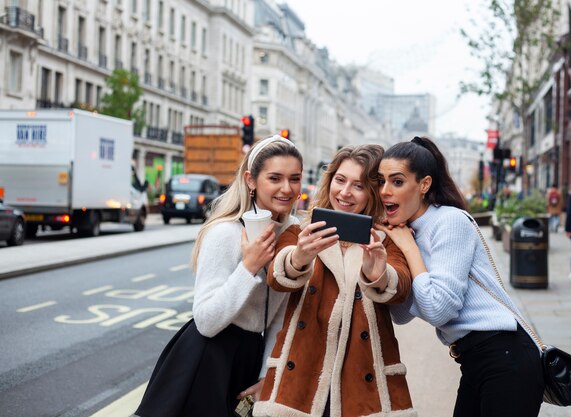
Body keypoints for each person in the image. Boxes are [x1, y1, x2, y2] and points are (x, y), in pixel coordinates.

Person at [135, 135, 303, 417]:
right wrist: (248, 267)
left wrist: (267, 376)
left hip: (250, 357)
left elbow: (279, 318)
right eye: (275, 178)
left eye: (294, 178)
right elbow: (206, 321)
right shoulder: (225, 233)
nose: (287, 188)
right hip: (207, 358)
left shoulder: (293, 235)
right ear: (251, 180)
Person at [377, 136, 544, 417]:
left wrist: (409, 249)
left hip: (506, 356)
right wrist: (386, 262)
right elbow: (401, 314)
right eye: (380, 181)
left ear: (424, 184)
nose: (384, 191)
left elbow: (439, 310)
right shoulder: (408, 232)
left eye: (396, 181)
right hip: (474, 360)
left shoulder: (449, 222)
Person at [253, 145, 416, 417]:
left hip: (362, 385)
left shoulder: (385, 240)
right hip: (301, 382)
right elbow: (277, 278)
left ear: (373, 192)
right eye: (340, 180)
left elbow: (401, 286)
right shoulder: (301, 233)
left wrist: (377, 272)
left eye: (359, 185)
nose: (345, 192)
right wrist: (299, 257)